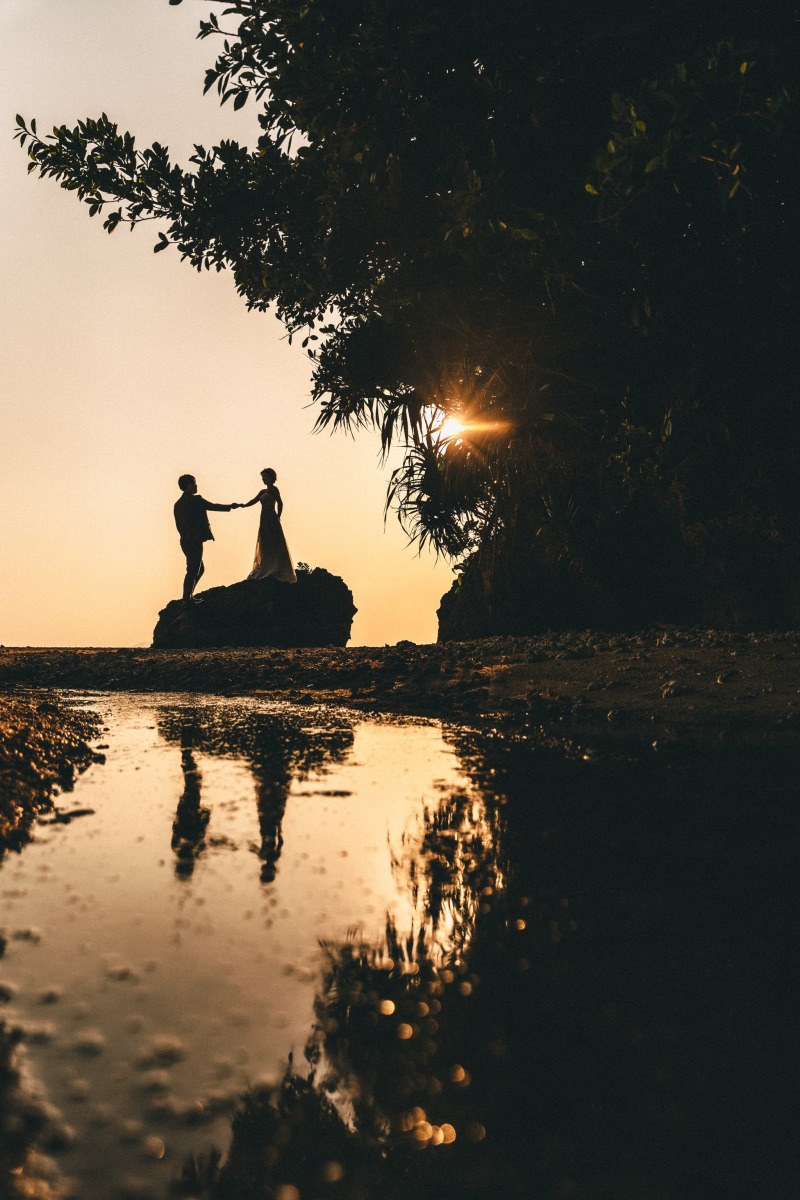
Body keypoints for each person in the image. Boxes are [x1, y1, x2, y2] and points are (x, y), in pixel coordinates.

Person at [174, 474, 238, 603]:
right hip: (194, 540)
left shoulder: (178, 504)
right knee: (193, 570)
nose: (196, 486)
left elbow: (178, 525)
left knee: (197, 568)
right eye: (194, 483)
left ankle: (188, 596)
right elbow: (213, 506)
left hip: (185, 540)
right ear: (189, 486)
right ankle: (186, 599)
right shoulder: (196, 500)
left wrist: (185, 536)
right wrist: (230, 506)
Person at [239, 468, 297, 584]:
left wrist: (278, 516)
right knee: (265, 542)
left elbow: (280, 502)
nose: (263, 479)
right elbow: (253, 501)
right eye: (262, 477)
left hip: (272, 517)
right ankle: (267, 566)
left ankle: (276, 567)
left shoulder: (274, 490)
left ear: (271, 477)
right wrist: (243, 505)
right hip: (264, 518)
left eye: (265, 477)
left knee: (274, 541)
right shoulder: (262, 492)